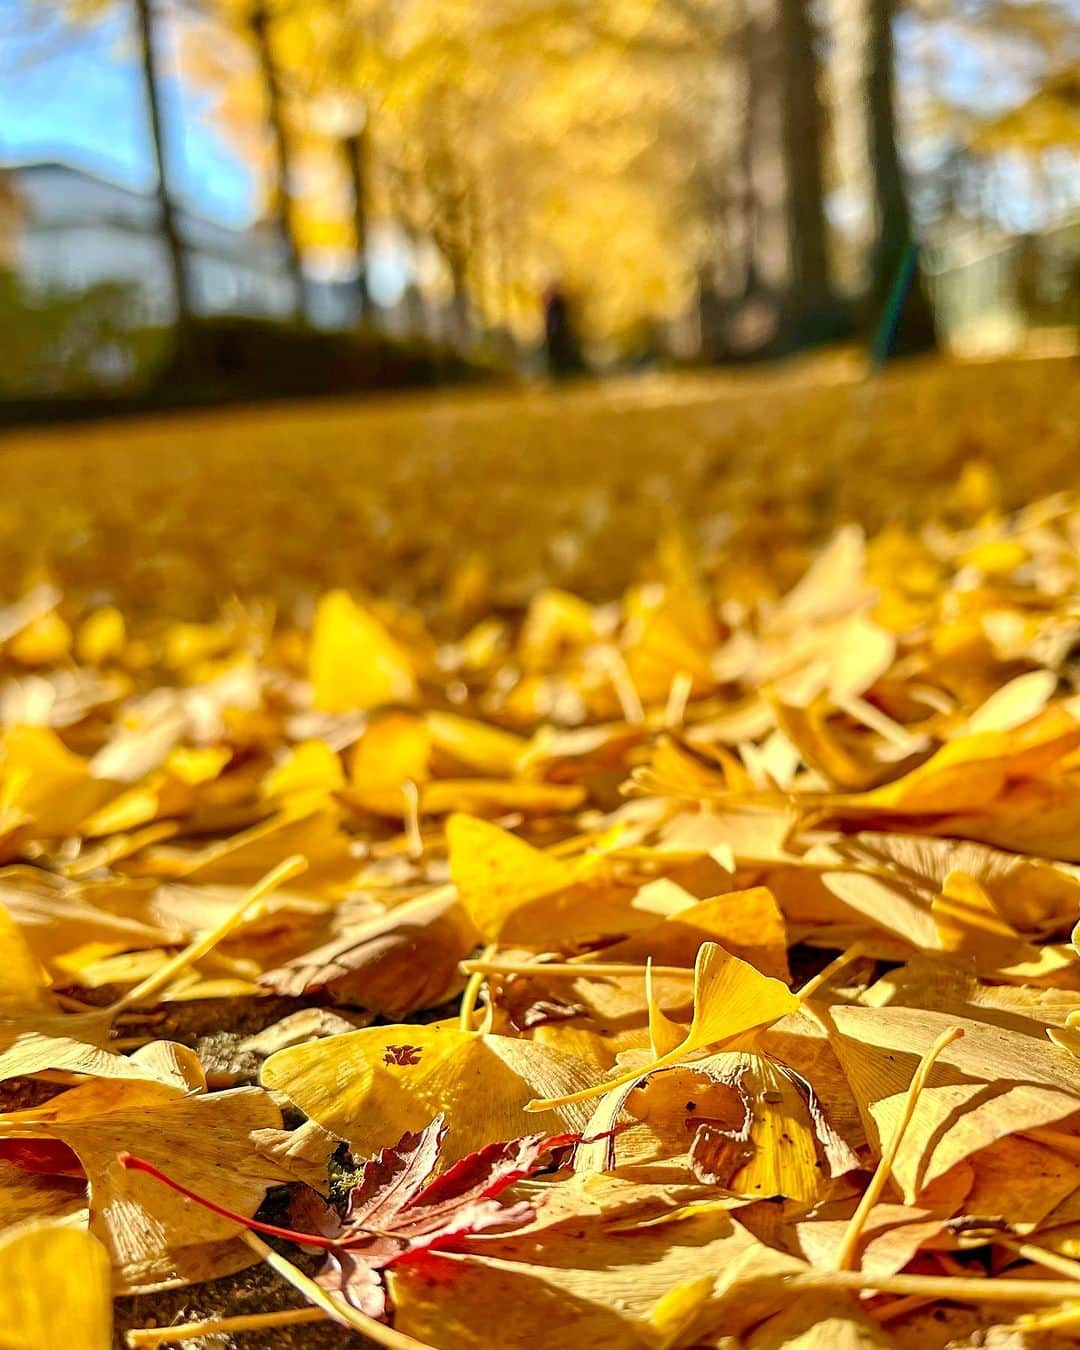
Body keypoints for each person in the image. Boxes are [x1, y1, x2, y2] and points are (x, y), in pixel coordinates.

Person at [543, 281, 582, 378]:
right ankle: (557, 373)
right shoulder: (551, 302)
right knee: (555, 354)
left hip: (559, 331)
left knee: (560, 353)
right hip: (553, 332)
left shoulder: (559, 302)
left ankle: (561, 373)